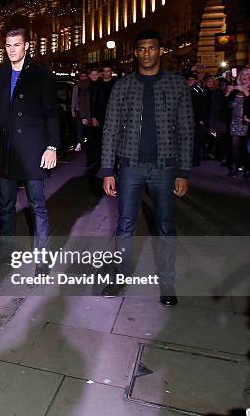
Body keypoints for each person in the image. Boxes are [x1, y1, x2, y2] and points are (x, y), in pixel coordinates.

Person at [101, 29, 194, 306]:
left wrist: (183, 172)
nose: (147, 53)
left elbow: (187, 130)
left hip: (165, 168)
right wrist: (107, 169)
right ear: (135, 52)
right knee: (125, 224)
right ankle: (119, 276)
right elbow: (111, 129)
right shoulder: (123, 86)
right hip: (130, 166)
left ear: (160, 51)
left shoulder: (177, 85)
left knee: (165, 225)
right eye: (142, 49)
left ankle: (166, 282)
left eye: (152, 48)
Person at [0, 27, 59, 271]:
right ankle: (5, 254)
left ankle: (43, 259)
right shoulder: (2, 74)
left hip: (33, 151)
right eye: (8, 45)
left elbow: (51, 113)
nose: (12, 49)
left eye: (16, 44)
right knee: (5, 206)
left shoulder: (40, 74)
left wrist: (52, 146)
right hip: (6, 152)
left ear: (27, 45)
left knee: (38, 205)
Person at [224, 67, 250, 177]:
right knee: (235, 146)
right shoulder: (234, 88)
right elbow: (226, 105)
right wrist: (227, 93)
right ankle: (235, 168)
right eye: (242, 74)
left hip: (247, 121)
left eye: (247, 74)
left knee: (246, 146)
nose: (244, 76)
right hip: (235, 121)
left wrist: (245, 91)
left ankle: (247, 168)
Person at [71, 71, 88, 151]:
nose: (83, 77)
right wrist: (72, 109)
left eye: (85, 76)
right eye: (82, 76)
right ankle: (79, 143)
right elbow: (74, 98)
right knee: (79, 128)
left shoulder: (89, 86)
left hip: (87, 111)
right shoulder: (76, 87)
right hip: (78, 110)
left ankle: (84, 143)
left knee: (86, 128)